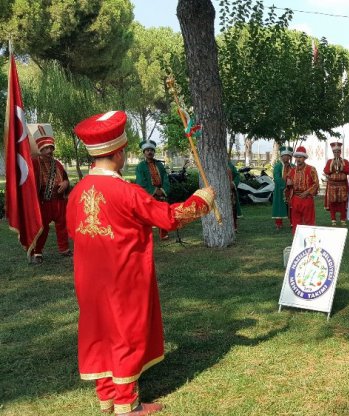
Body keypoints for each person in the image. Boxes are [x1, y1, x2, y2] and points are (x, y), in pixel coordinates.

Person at [68, 110, 215, 415]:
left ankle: (106, 397)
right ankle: (127, 404)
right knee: (124, 333)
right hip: (122, 277)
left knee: (100, 332)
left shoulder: (77, 191)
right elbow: (168, 216)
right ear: (119, 152)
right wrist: (201, 201)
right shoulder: (126, 192)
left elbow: (73, 231)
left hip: (89, 279)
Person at [29, 123, 71, 264]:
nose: (48, 151)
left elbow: (65, 179)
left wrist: (65, 184)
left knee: (62, 225)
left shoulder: (57, 164)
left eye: (50, 148)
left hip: (59, 201)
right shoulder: (35, 163)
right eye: (45, 148)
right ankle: (37, 252)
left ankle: (64, 249)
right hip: (44, 202)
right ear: (40, 149)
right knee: (42, 229)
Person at [135, 140, 171, 241]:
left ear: (154, 152)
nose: (150, 152)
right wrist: (154, 191)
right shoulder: (140, 166)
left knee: (163, 213)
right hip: (149, 194)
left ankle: (163, 233)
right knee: (146, 216)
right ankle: (145, 236)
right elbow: (141, 181)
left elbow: (165, 178)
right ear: (144, 152)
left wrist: (162, 190)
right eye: (147, 150)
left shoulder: (160, 165)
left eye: (151, 150)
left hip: (161, 192)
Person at [285, 146, 319, 234]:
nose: (298, 159)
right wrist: (288, 183)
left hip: (307, 198)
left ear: (304, 158)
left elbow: (316, 183)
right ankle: (296, 241)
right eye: (297, 157)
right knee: (296, 221)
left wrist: (306, 192)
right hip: (296, 198)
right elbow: (287, 183)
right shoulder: (292, 170)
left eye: (300, 157)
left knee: (309, 221)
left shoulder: (311, 169)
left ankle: (310, 240)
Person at [323, 142, 349, 225]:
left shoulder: (345, 161)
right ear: (333, 153)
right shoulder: (329, 161)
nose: (336, 153)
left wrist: (342, 167)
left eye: (338, 152)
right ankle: (333, 219)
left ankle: (343, 219)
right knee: (332, 202)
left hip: (342, 185)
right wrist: (332, 167)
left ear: (340, 152)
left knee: (343, 202)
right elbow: (326, 171)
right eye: (335, 152)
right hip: (332, 185)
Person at [272, 146, 293, 230]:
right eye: (284, 155)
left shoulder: (293, 166)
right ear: (281, 156)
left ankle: (292, 222)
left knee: (291, 206)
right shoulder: (278, 166)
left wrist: (292, 184)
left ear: (290, 157)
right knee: (279, 206)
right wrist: (285, 185)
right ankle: (278, 223)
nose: (286, 157)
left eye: (288, 155)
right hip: (280, 190)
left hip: (291, 189)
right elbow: (276, 178)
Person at [227, 160, 241, 230]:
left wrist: (233, 183)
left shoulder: (230, 165)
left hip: (230, 191)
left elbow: (237, 175)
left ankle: (234, 226)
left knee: (233, 208)